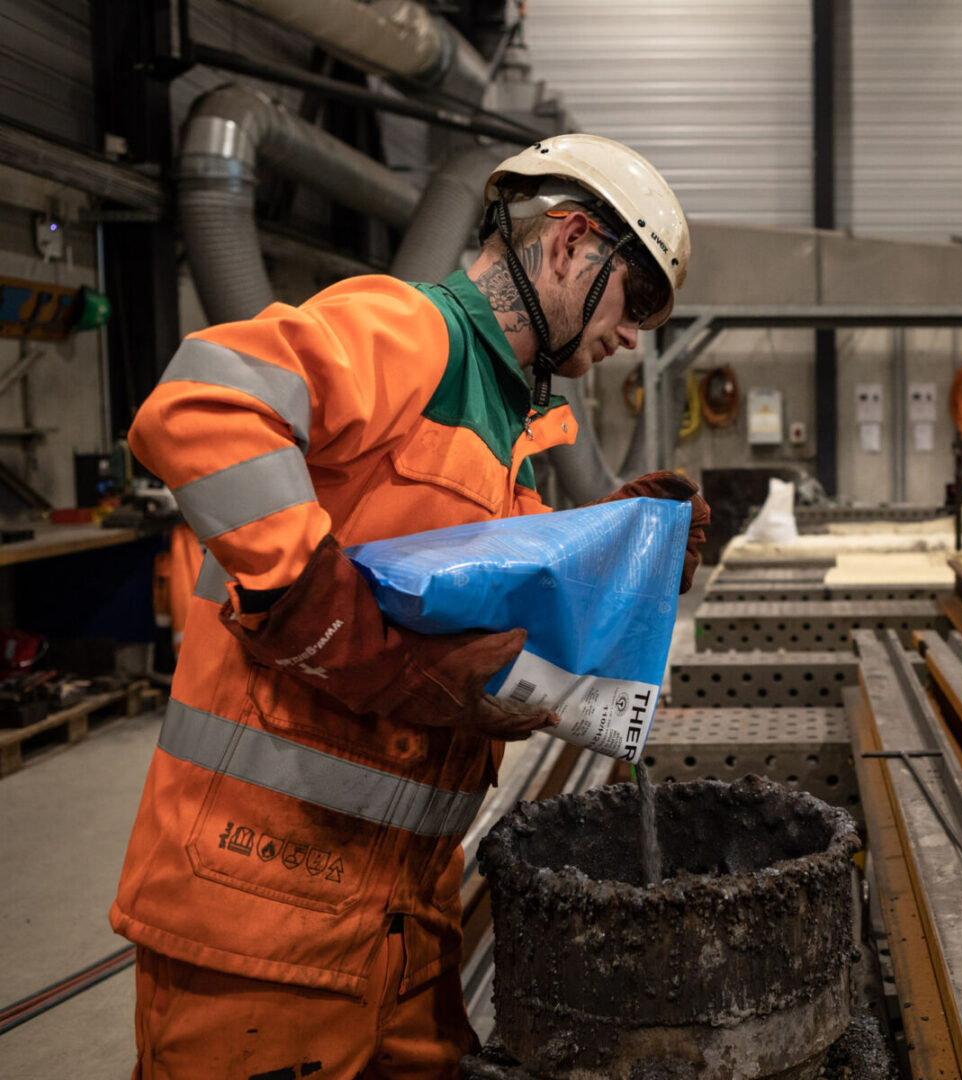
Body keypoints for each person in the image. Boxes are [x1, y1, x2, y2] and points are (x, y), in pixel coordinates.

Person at [110, 133, 708, 1078]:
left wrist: (618, 555)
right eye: (637, 300)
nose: (634, 334)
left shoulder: (508, 433)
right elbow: (199, 402)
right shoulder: (411, 332)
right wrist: (316, 605)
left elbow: (477, 634)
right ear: (567, 245)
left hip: (398, 919)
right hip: (259, 907)